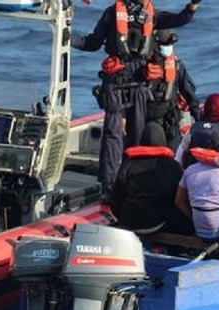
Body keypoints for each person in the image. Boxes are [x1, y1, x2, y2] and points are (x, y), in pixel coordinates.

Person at [71, 0, 202, 195]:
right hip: (117, 79)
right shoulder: (111, 14)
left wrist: (192, 6)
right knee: (113, 133)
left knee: (137, 133)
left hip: (139, 81)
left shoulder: (150, 15)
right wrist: (68, 38)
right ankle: (109, 184)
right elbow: (92, 42)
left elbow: (179, 19)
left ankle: (131, 181)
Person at [110, 122, 189, 235]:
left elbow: (116, 198)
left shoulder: (128, 164)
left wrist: (122, 217)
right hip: (158, 222)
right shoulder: (171, 166)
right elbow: (179, 199)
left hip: (130, 221)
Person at [144, 29, 199, 151]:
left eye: (170, 45)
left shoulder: (177, 66)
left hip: (170, 121)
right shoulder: (141, 67)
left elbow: (189, 92)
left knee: (175, 155)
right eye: (164, 45)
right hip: (147, 122)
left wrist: (198, 116)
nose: (168, 48)